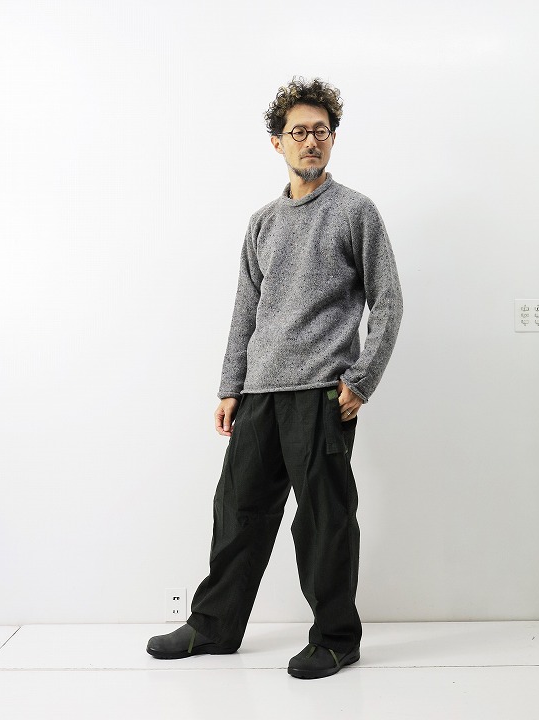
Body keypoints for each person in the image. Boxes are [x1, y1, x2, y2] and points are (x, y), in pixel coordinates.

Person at [147, 76, 403, 679]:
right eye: (298, 132)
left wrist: (362, 380)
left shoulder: (356, 212)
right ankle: (214, 626)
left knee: (323, 523)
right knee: (237, 514)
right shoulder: (262, 222)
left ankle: (336, 638)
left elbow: (388, 300)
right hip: (260, 394)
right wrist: (229, 386)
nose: (311, 141)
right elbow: (246, 310)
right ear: (277, 142)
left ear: (333, 138)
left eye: (321, 131)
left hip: (321, 394)